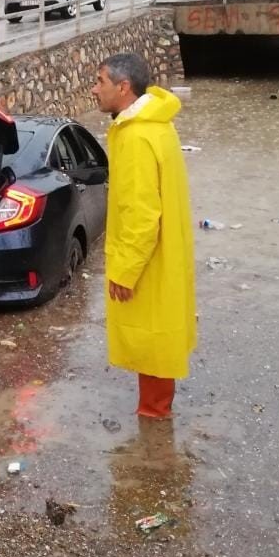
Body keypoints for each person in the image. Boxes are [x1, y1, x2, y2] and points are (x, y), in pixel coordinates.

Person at [91, 53, 196, 419]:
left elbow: (140, 215)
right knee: (159, 335)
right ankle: (157, 408)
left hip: (149, 257)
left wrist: (125, 269)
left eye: (100, 81)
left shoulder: (135, 137)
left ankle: (154, 420)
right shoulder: (158, 124)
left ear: (123, 88)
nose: (94, 89)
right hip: (165, 252)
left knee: (150, 337)